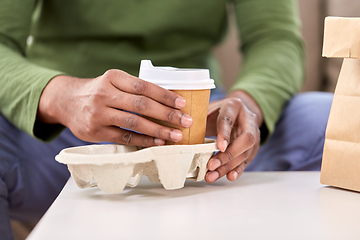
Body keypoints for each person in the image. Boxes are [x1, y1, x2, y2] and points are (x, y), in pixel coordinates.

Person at [0, 0, 333, 239]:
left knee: (334, 123)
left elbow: (275, 37)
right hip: (62, 135)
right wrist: (62, 96)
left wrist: (248, 103)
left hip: (203, 137)